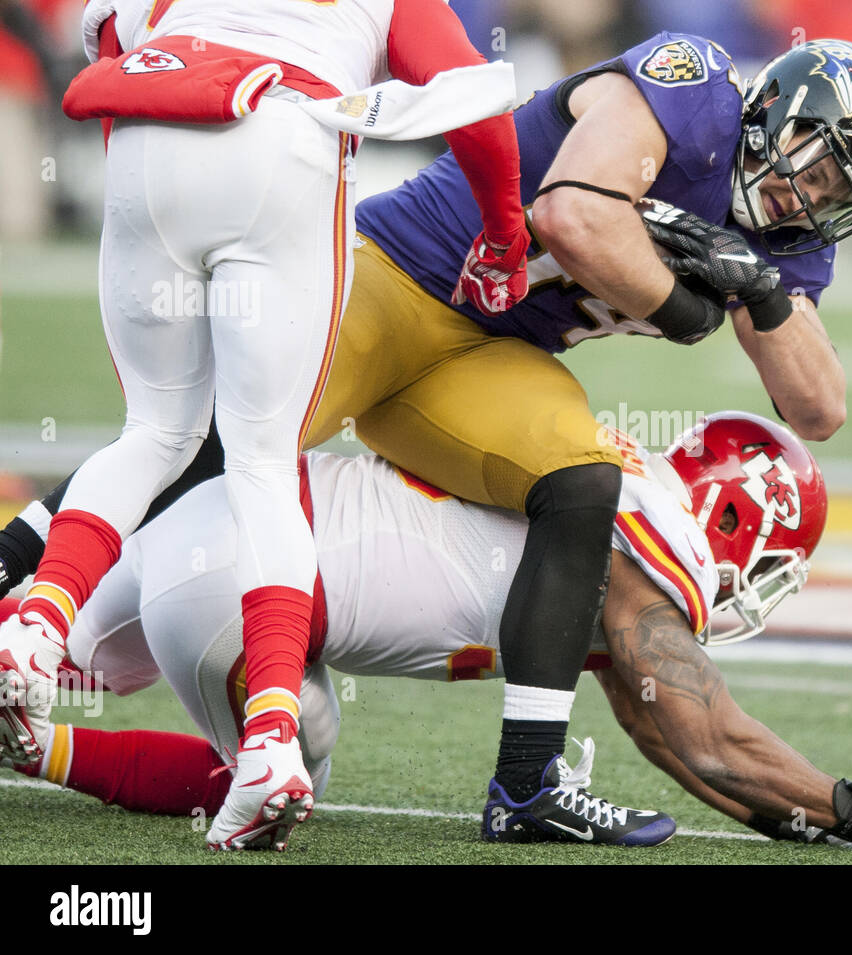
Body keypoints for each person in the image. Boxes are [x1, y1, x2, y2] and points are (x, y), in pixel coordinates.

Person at [0, 34, 852, 842]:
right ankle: (14, 576)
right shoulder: (697, 88)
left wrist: (757, 285)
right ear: (786, 118)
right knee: (207, 436)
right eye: (825, 168)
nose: (817, 199)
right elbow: (570, 215)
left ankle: (527, 783)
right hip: (398, 278)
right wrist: (685, 304)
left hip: (488, 346)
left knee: (583, 482)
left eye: (844, 195)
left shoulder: (790, 241)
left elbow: (817, 407)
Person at [0, 0, 531, 850]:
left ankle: (36, 624)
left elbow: (108, 32)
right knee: (261, 459)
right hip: (281, 133)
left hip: (151, 123)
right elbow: (475, 100)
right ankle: (272, 741)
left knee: (155, 431)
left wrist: (149, 208)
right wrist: (504, 235)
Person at [3, 412, 852, 853]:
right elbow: (707, 733)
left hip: (218, 523)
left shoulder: (612, 492)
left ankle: (30, 719)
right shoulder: (644, 546)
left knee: (30, 648)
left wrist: (821, 821)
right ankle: (40, 749)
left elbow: (676, 742)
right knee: (271, 771)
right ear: (729, 524)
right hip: (254, 588)